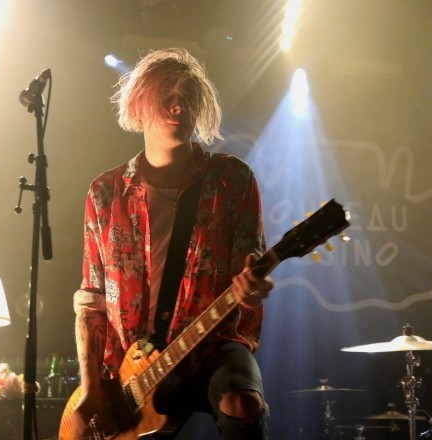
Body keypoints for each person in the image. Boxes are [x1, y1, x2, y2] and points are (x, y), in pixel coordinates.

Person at [69, 47, 274, 439]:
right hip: (135, 370)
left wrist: (252, 283)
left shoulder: (232, 179)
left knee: (243, 402)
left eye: (188, 95)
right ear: (138, 104)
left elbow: (248, 259)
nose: (179, 105)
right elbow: (92, 301)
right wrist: (92, 391)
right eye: (166, 95)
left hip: (211, 344)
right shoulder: (105, 193)